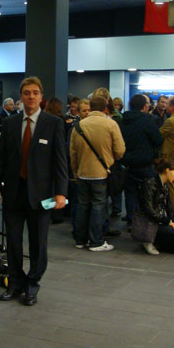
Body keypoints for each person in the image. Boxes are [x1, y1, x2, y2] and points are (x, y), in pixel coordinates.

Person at [0, 76, 69, 306]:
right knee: (13, 242)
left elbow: (60, 161)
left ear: (41, 97)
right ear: (21, 97)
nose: (31, 97)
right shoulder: (10, 123)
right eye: (27, 93)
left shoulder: (53, 123)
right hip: (13, 192)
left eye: (35, 93)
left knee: (38, 243)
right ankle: (15, 283)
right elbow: (1, 158)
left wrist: (61, 192)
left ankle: (32, 285)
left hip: (41, 195)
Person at [70, 94, 125, 250]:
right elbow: (120, 151)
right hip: (102, 173)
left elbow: (72, 153)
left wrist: (75, 172)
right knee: (99, 206)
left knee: (82, 206)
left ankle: (80, 240)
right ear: (105, 108)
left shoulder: (78, 126)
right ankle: (96, 241)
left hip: (82, 172)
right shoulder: (111, 124)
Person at [119, 94, 164, 227]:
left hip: (127, 163)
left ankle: (132, 220)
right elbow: (158, 140)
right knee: (149, 194)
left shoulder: (123, 121)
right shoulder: (147, 121)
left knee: (130, 193)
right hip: (145, 163)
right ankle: (147, 222)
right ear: (144, 107)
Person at [132, 159, 174, 255]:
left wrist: (172, 221)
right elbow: (148, 209)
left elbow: (169, 207)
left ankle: (159, 243)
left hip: (159, 220)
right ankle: (150, 240)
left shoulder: (164, 186)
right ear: (167, 170)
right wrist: (169, 222)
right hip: (151, 223)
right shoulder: (150, 184)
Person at [158, 96, 174, 218]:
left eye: (168, 104)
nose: (166, 107)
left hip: (170, 158)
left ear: (172, 107)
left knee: (172, 188)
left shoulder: (171, 121)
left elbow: (158, 135)